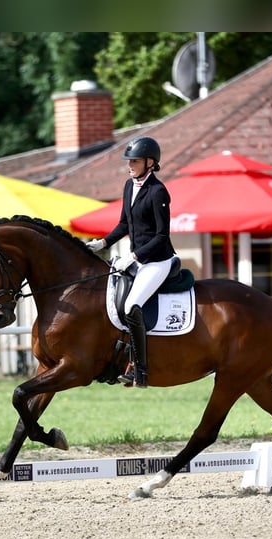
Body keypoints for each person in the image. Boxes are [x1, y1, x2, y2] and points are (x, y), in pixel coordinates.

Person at [86, 136, 176, 388]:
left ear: (150, 163)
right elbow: (124, 223)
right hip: (136, 260)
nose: (130, 165)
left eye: (134, 161)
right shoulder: (129, 186)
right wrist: (102, 244)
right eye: (129, 160)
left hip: (158, 261)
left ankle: (141, 370)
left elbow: (161, 236)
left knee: (132, 305)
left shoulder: (158, 191)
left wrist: (134, 256)